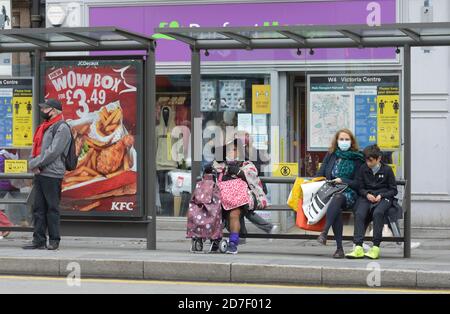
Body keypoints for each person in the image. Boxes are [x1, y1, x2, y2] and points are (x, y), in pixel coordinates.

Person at [23, 99, 71, 251]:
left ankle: (54, 240)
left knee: (52, 208)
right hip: (41, 172)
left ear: (54, 110)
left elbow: (54, 151)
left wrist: (36, 164)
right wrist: (33, 163)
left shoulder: (62, 127)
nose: (42, 111)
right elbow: (35, 148)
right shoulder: (43, 127)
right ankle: (38, 240)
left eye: (45, 108)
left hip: (52, 173)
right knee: (38, 208)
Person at [315, 129, 364, 258]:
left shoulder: (358, 157)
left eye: (346, 139)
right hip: (331, 192)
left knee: (337, 199)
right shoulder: (331, 154)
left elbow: (359, 183)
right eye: (341, 139)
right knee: (335, 204)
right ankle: (339, 249)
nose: (344, 142)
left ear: (352, 141)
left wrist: (343, 180)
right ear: (336, 141)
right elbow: (320, 173)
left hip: (350, 192)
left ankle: (325, 232)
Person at [346, 145, 398, 260]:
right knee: (359, 213)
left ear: (378, 159)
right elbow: (360, 188)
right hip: (367, 197)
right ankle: (358, 247)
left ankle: (375, 247)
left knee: (378, 213)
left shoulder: (387, 170)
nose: (368, 163)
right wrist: (367, 194)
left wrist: (381, 195)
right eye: (366, 160)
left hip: (384, 197)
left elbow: (393, 190)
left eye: (371, 160)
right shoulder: (363, 168)